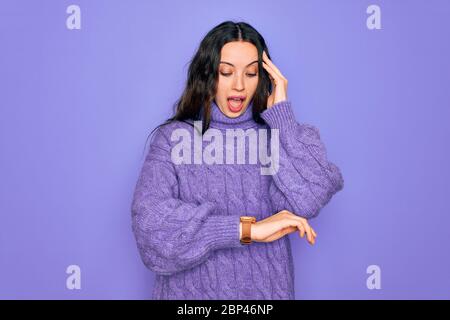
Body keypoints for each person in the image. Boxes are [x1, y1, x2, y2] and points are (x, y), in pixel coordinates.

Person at [131, 21, 344, 300]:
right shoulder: (173, 138)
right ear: (208, 76)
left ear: (264, 78)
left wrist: (282, 117)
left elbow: (311, 198)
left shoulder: (277, 138)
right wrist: (247, 230)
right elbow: (150, 226)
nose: (240, 85)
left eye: (252, 73)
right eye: (226, 72)